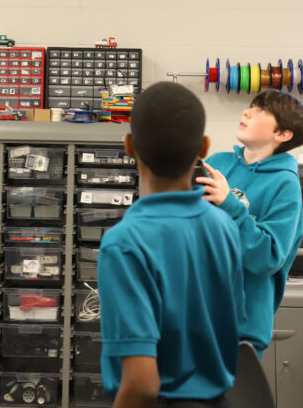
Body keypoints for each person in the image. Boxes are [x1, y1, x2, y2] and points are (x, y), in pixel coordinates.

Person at [97, 82, 245, 408]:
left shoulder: (123, 243)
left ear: (129, 145)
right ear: (204, 147)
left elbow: (141, 385)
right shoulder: (225, 227)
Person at [197, 88, 303, 357]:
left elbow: (268, 257)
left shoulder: (285, 183)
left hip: (239, 331)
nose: (247, 112)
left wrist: (229, 205)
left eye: (261, 110)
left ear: (282, 134)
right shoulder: (217, 164)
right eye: (250, 106)